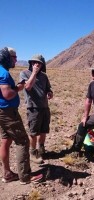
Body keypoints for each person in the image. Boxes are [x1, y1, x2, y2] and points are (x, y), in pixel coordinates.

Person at [0, 47, 43, 184]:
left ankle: (7, 173)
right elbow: (8, 95)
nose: (16, 60)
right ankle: (25, 176)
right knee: (23, 140)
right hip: (7, 112)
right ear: (7, 58)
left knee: (6, 141)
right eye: (14, 57)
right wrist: (19, 87)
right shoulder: (4, 74)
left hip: (2, 111)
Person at [19, 55, 53, 164]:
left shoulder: (44, 76)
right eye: (34, 62)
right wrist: (33, 73)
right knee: (33, 132)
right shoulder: (24, 73)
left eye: (39, 63)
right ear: (31, 63)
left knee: (43, 130)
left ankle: (41, 149)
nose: (36, 64)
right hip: (33, 108)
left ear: (42, 65)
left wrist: (49, 93)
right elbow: (27, 87)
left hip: (44, 107)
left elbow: (48, 88)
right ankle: (33, 153)